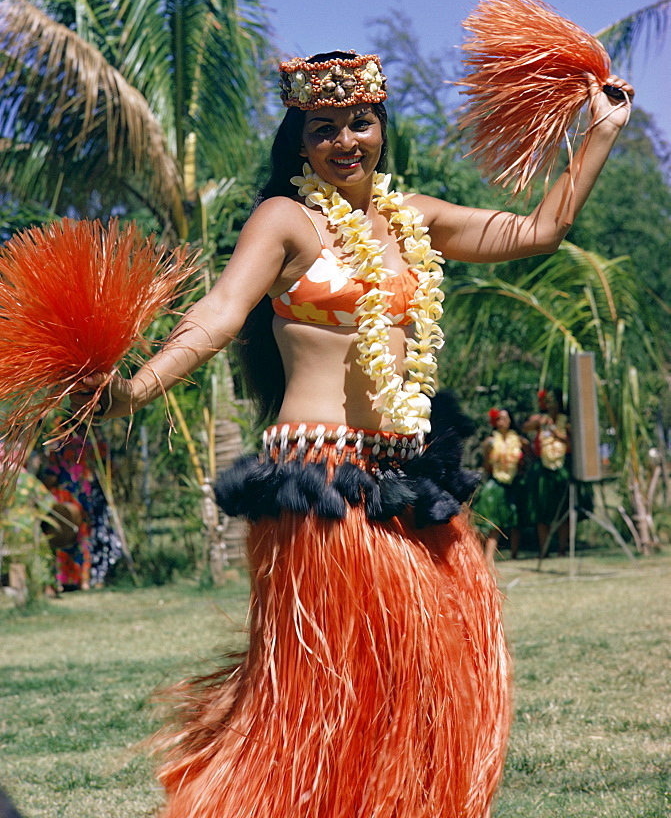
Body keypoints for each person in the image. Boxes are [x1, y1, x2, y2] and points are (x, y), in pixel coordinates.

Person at [73, 50, 632, 818]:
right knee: (329, 685)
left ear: (381, 130)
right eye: (323, 127)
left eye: (359, 123)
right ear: (299, 143)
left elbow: (539, 228)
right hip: (320, 480)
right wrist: (134, 387)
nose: (344, 141)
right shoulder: (285, 219)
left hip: (405, 477)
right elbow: (218, 315)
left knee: (428, 675)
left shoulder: (417, 219)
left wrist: (598, 133)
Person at [38, 429, 121, 591]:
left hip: (64, 499)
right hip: (85, 497)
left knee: (61, 537)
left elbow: (52, 476)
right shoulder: (90, 445)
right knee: (83, 537)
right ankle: (83, 580)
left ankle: (61, 581)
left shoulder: (58, 447)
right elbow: (111, 466)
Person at [473, 408, 528, 567]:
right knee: (492, 522)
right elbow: (486, 466)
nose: (502, 421)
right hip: (496, 483)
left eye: (505, 418)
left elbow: (528, 457)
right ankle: (488, 557)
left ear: (510, 420)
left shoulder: (518, 440)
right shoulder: (490, 441)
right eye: (499, 419)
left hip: (514, 482)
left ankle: (514, 555)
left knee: (515, 519)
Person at [524, 388, 571, 557]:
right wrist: (538, 421)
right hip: (543, 469)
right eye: (549, 401)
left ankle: (562, 549)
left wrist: (558, 434)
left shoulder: (566, 422)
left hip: (561, 468)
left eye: (555, 401)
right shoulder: (541, 420)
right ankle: (544, 550)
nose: (552, 405)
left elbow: (572, 444)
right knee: (542, 511)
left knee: (563, 509)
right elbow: (525, 428)